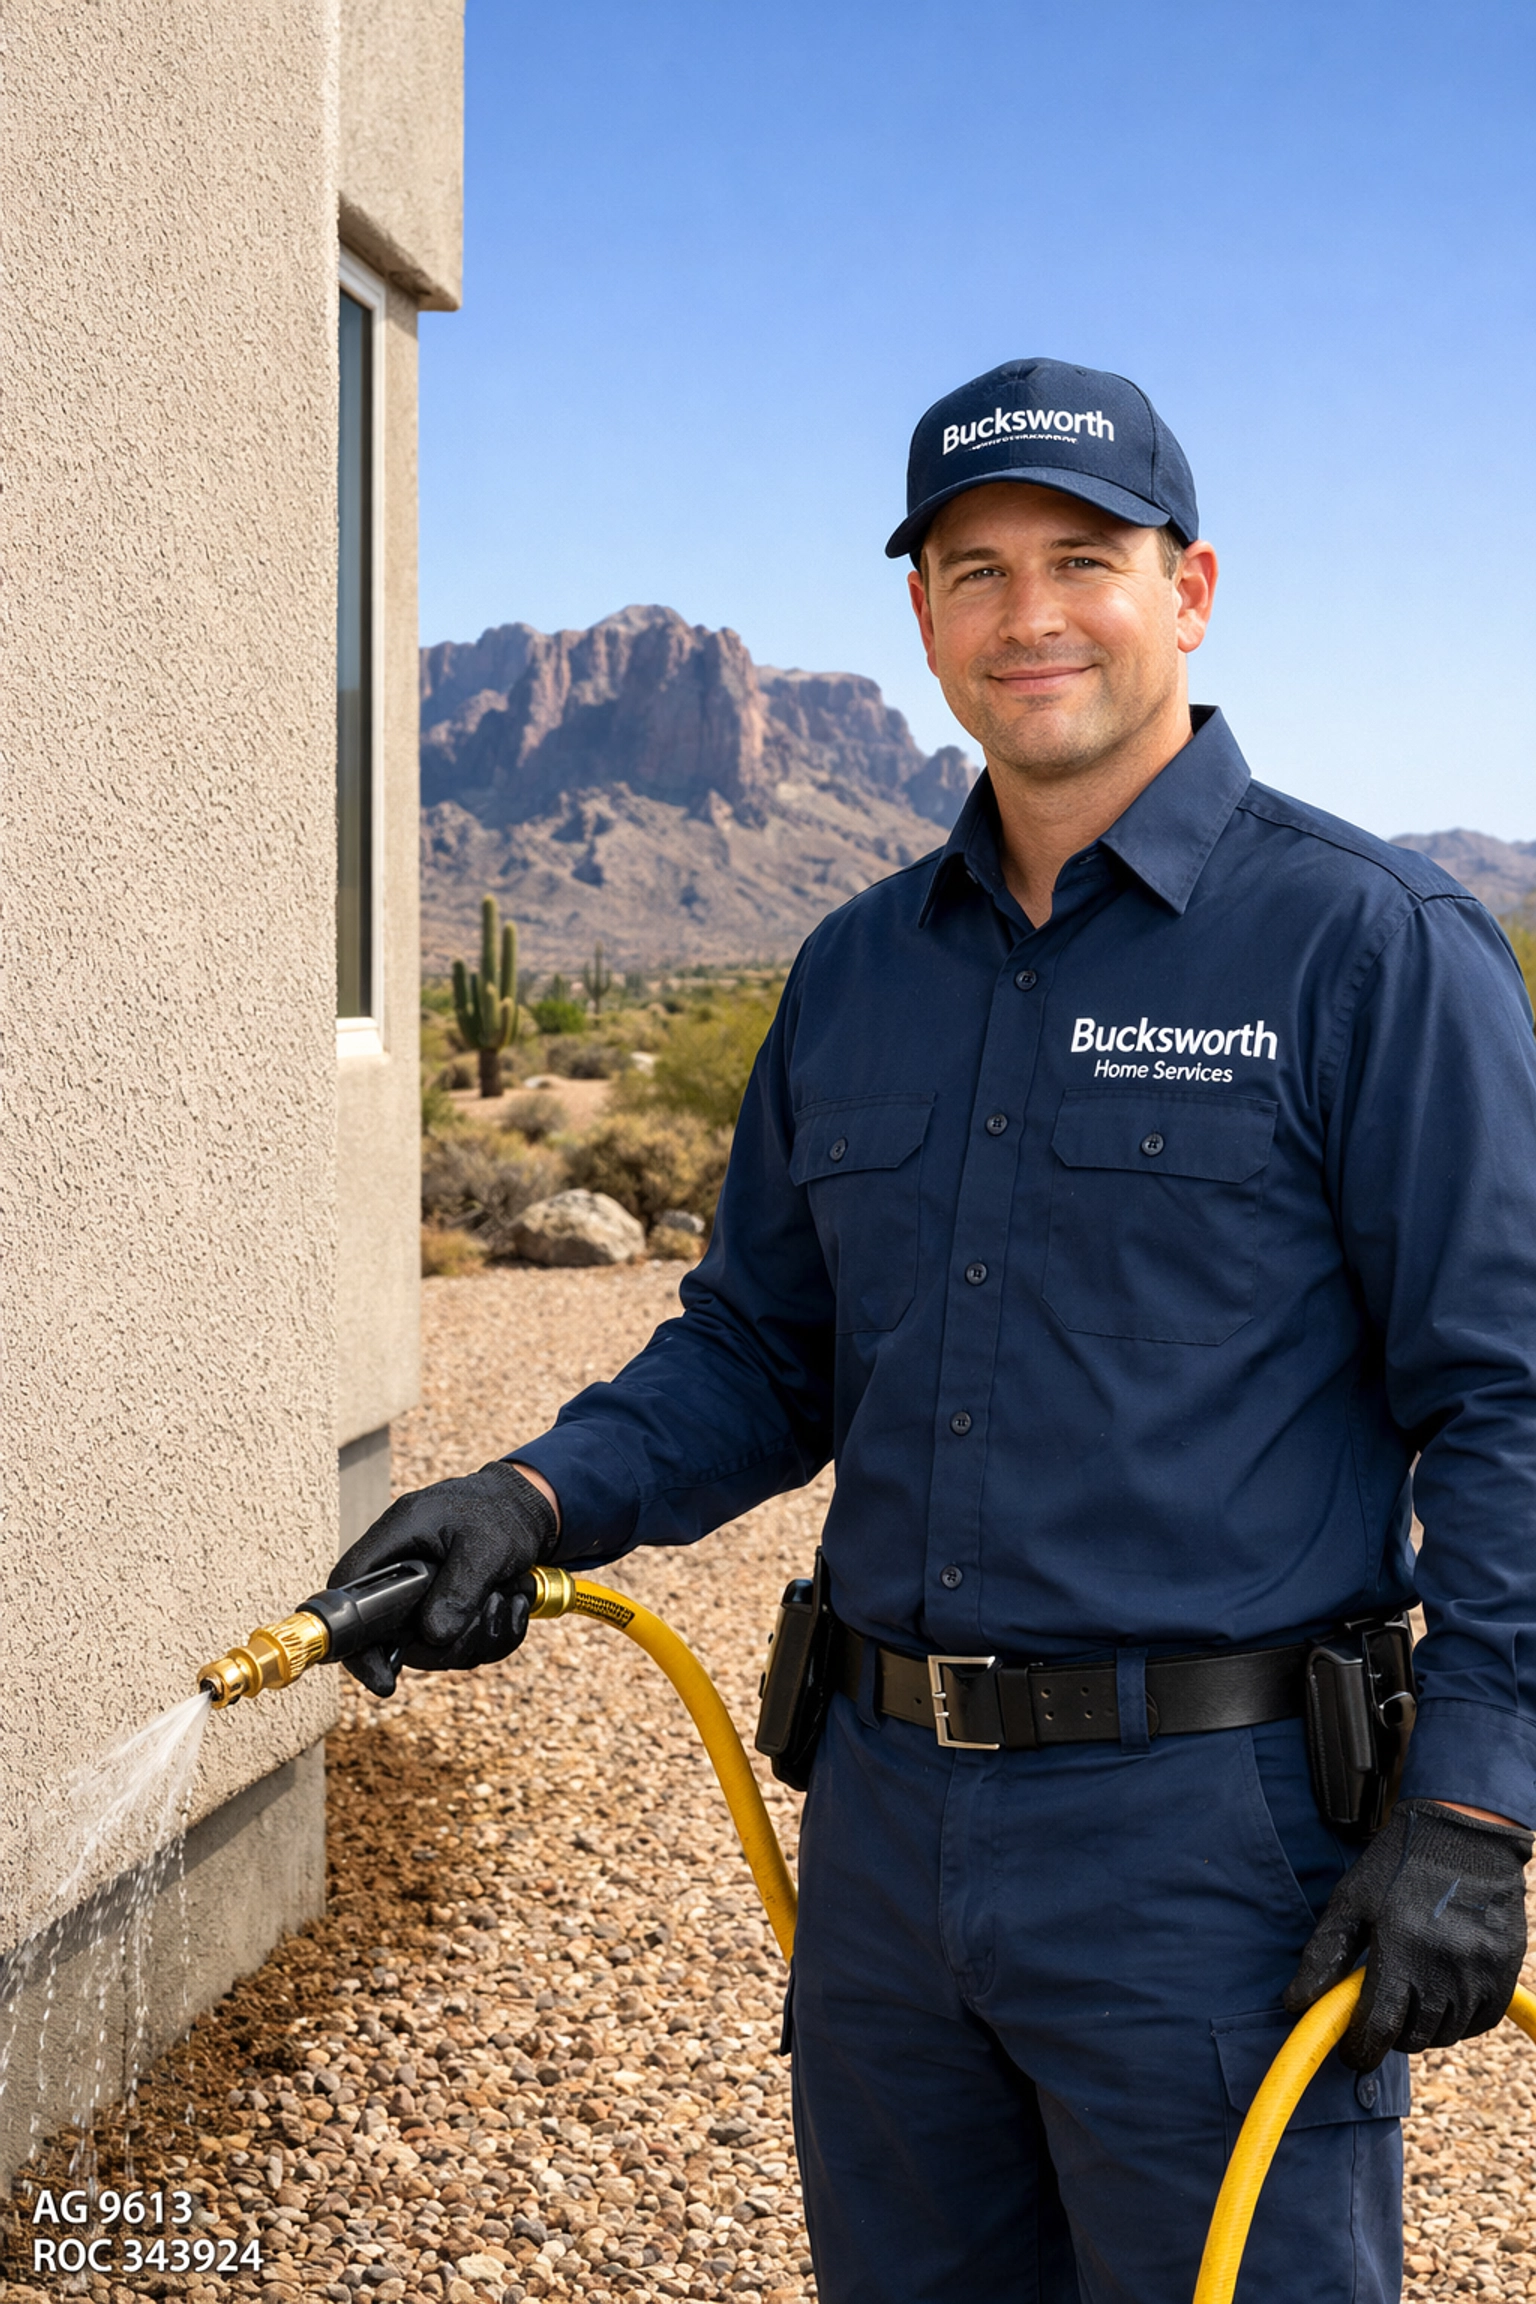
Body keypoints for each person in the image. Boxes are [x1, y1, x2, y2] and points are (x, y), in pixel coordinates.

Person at [333, 358, 1536, 2304]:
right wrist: (532, 1497)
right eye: (973, 570)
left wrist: (1476, 1804)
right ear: (919, 618)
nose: (1028, 613)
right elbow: (757, 1351)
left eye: (1084, 558)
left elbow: (1510, 1403)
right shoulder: (853, 973)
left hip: (1209, 1855)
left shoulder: (1372, 950)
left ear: (1193, 590)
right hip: (886, 1840)